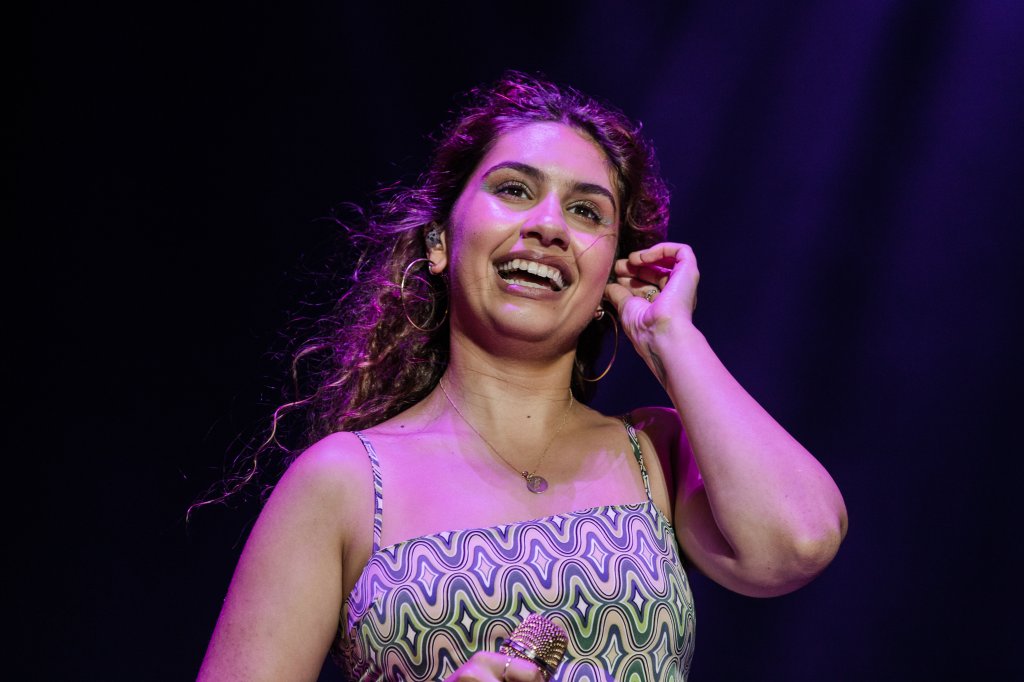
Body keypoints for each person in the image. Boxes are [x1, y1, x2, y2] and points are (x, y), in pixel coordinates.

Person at [197, 71, 848, 682]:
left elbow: (799, 540)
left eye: (587, 212)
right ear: (439, 242)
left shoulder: (656, 452)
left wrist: (668, 335)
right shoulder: (343, 480)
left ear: (609, 279)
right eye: (514, 190)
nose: (548, 227)